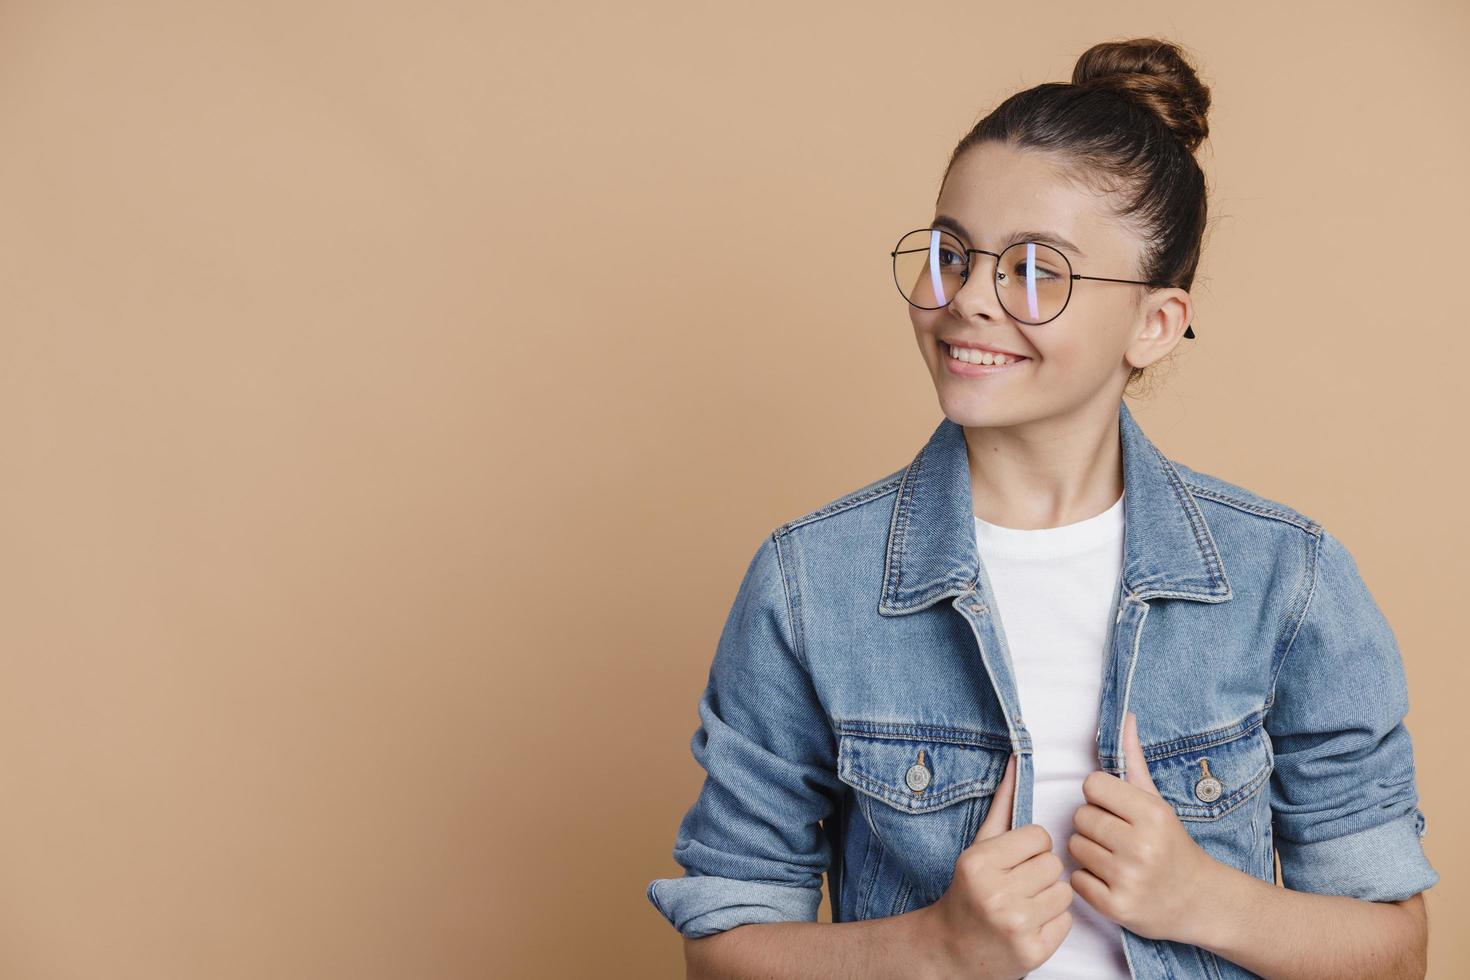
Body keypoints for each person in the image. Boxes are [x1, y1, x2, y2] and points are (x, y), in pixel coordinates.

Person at [646, 37, 1439, 980]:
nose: (969, 300)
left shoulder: (1288, 581)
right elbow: (722, 953)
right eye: (952, 254)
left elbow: (1392, 953)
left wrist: (1202, 899)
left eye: (1035, 271)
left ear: (1154, 324)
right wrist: (932, 948)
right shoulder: (812, 583)